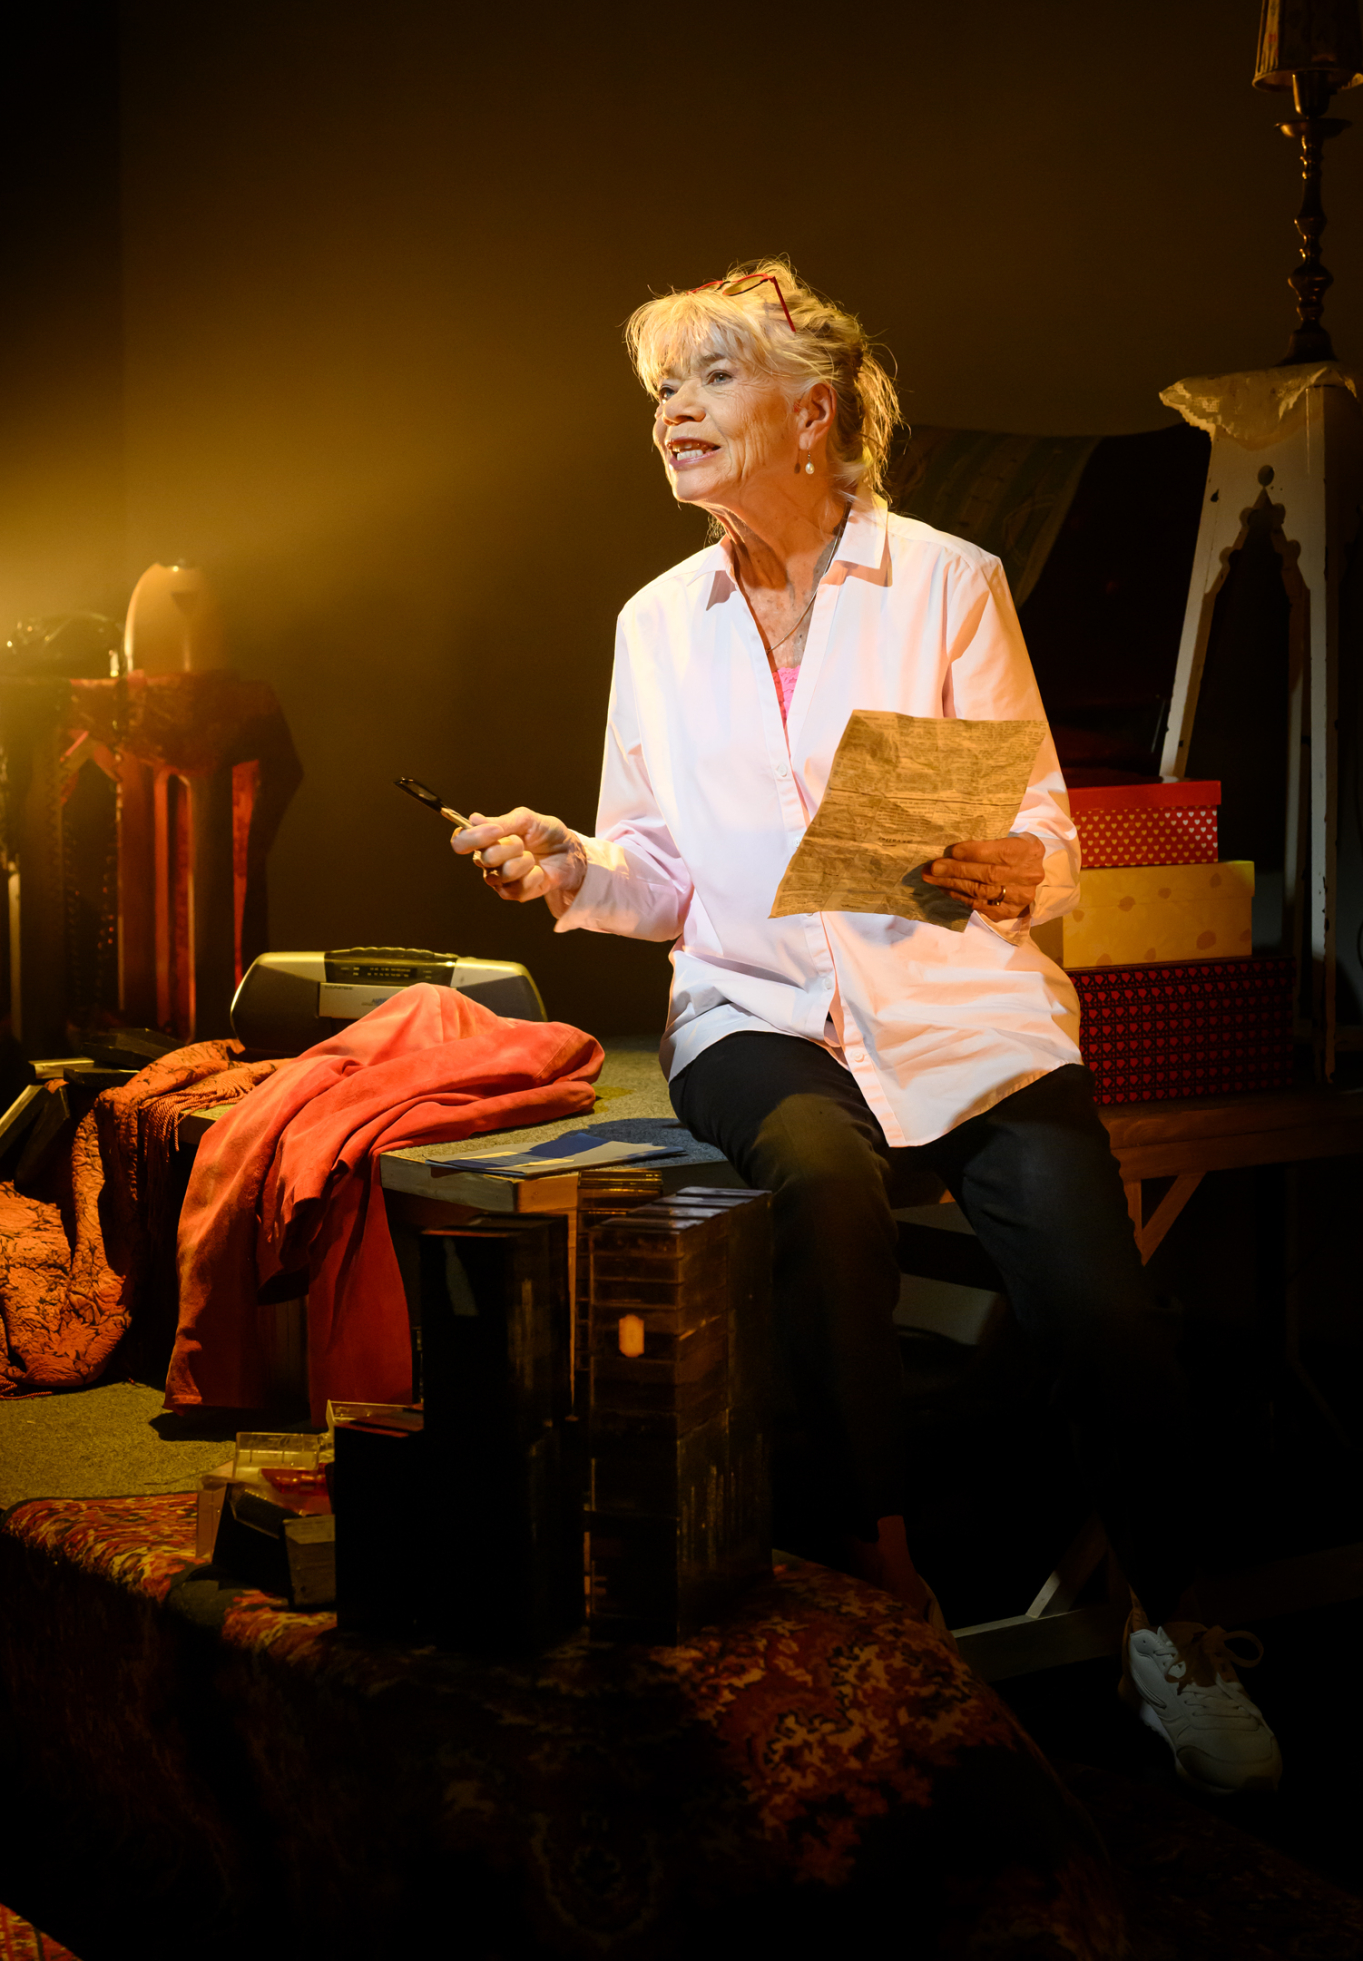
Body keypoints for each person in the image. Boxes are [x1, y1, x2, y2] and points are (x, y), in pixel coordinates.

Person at [451, 259, 1280, 1796]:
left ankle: (1179, 1627)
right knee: (824, 1183)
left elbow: (1046, 827)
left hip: (957, 1006)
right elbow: (659, 872)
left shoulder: (949, 581)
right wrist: (572, 867)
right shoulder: (657, 623)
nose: (672, 411)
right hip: (757, 1008)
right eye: (661, 389)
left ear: (814, 411)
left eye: (709, 377)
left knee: (1101, 1304)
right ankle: (882, 1580)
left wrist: (1021, 867)